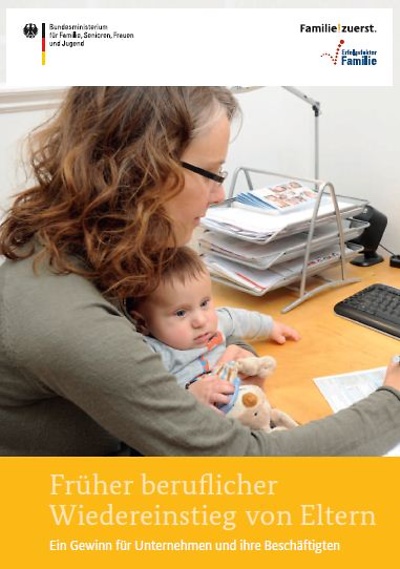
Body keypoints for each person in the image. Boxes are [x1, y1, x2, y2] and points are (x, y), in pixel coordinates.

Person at [1, 86, 400, 456]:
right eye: (211, 173)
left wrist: (234, 352)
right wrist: (393, 404)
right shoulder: (71, 321)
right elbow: (245, 464)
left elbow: (188, 336)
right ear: (141, 170)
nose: (220, 194)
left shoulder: (93, 249)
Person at [127, 245, 300, 409]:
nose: (201, 321)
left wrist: (270, 326)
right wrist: (190, 395)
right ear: (142, 323)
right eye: (181, 313)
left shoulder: (217, 322)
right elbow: (150, 398)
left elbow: (238, 318)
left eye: (204, 303)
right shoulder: (152, 354)